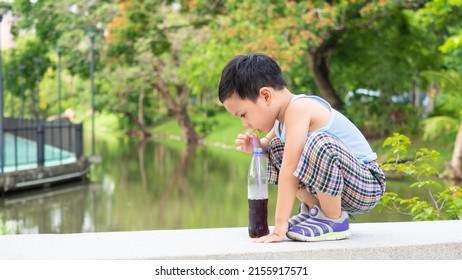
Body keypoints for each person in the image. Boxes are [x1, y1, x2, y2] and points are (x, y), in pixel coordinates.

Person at [218, 53, 386, 243]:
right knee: (275, 148)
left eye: (243, 114)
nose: (245, 123)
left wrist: (279, 227)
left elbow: (290, 168)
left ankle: (334, 220)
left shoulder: (299, 109)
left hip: (366, 183)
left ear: (266, 95)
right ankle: (316, 211)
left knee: (318, 142)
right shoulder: (281, 123)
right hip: (343, 187)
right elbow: (269, 148)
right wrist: (257, 147)